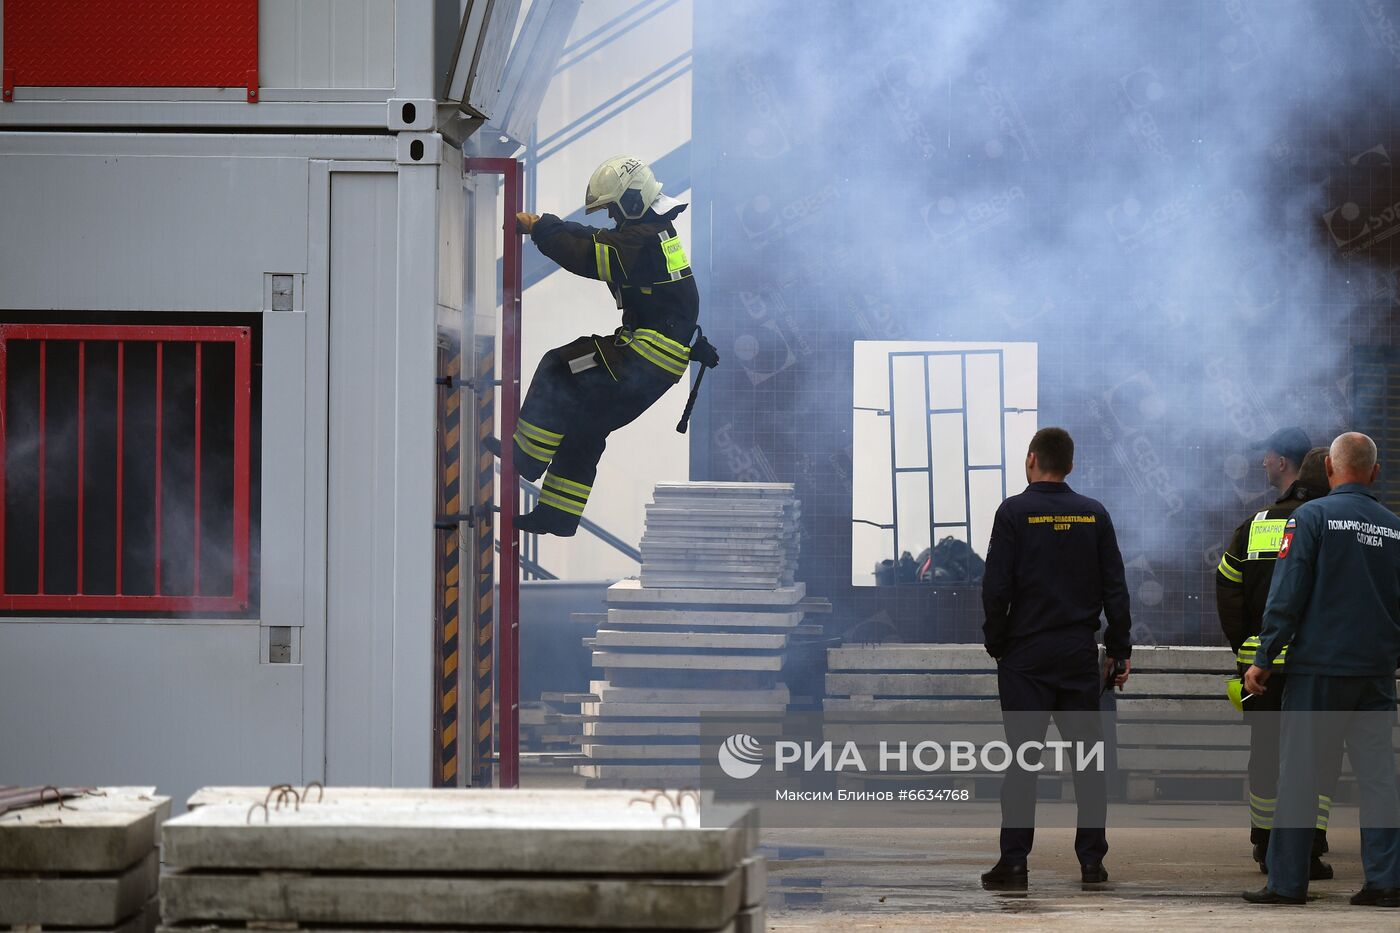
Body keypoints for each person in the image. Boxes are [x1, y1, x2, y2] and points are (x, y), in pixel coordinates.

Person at [509, 155, 710, 536]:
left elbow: (588, 253)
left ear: (632, 201)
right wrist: (546, 224)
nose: (613, 219)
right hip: (658, 361)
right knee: (585, 425)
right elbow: (595, 237)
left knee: (560, 366)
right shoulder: (654, 233)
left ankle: (526, 459)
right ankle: (558, 515)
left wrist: (541, 232)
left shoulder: (642, 240)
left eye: (615, 209)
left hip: (643, 357)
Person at [1242, 432, 1400, 907]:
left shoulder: (1311, 517)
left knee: (1300, 777)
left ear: (1330, 471)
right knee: (1378, 779)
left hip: (1319, 672)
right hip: (1375, 674)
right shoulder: (1394, 527)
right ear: (1374, 472)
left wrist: (1265, 658)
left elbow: (1286, 595)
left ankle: (1287, 883)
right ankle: (1386, 881)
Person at [980, 427, 1133, 890]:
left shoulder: (1013, 512)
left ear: (1031, 460)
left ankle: (1014, 863)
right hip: (1077, 654)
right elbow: (1115, 588)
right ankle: (1092, 862)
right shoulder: (1094, 514)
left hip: (1025, 656)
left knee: (1023, 761)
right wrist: (1120, 650)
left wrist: (997, 641)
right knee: (1088, 762)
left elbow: (996, 588)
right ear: (1070, 464)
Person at [1216, 445, 1336, 877]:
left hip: (1258, 667)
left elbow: (1227, 583)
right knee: (1318, 754)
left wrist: (1244, 645)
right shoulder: (1328, 525)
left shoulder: (1257, 523)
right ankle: (1308, 847)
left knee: (1264, 753)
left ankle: (1264, 843)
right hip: (1312, 665)